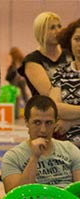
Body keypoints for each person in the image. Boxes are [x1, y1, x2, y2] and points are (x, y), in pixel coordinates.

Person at [1, 95, 80, 192]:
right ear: (26, 122)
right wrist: (34, 158)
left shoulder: (70, 149)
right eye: (37, 123)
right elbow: (16, 196)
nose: (43, 130)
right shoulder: (13, 157)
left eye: (48, 123)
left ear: (56, 122)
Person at [18, 12, 72, 97]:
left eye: (59, 26)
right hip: (47, 105)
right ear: (41, 32)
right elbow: (49, 95)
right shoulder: (32, 60)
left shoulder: (70, 54)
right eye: (52, 28)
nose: (58, 31)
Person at [50, 18, 80, 147]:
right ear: (69, 41)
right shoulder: (61, 72)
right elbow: (54, 107)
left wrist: (71, 122)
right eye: (77, 39)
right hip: (66, 147)